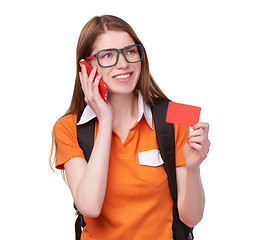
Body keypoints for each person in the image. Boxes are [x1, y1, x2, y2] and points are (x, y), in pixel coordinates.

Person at [49, 15, 210, 240]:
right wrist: (105, 120)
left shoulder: (176, 114)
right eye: (107, 55)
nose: (123, 63)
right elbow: (89, 206)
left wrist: (193, 168)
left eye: (130, 51)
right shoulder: (68, 127)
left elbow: (191, 218)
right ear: (86, 67)